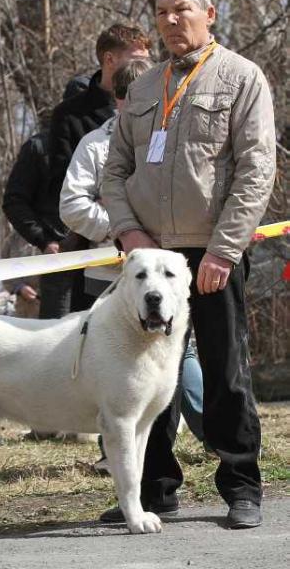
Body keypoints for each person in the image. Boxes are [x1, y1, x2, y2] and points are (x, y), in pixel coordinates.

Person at [101, 0, 276, 529]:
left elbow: (256, 168)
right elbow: (115, 171)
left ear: (210, 13)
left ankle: (242, 486)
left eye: (182, 10)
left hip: (212, 253)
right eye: (162, 13)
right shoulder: (147, 86)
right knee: (147, 375)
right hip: (150, 257)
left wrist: (223, 251)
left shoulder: (242, 77)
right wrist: (129, 234)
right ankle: (154, 489)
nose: (172, 21)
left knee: (224, 369)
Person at [59, 60, 204, 471]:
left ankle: (208, 436)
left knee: (179, 365)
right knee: (117, 381)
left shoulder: (176, 136)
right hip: (109, 281)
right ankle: (129, 474)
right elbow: (72, 205)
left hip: (168, 283)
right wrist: (125, 232)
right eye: (140, 97)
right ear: (120, 99)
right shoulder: (94, 144)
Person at [45, 24, 152, 317]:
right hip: (101, 262)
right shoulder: (80, 127)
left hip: (161, 264)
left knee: (177, 350)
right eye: (137, 57)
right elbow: (68, 195)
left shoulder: (172, 134)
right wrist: (121, 227)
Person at [2, 76, 90, 319]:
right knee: (58, 338)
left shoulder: (108, 142)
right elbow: (14, 201)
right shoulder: (38, 147)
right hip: (58, 259)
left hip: (101, 258)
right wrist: (44, 240)